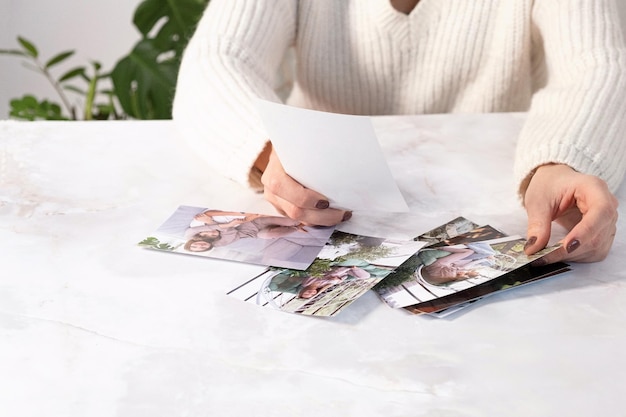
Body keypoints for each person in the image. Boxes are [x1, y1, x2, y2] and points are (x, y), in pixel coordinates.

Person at [173, 0, 626, 265]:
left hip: (492, 202)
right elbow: (218, 58)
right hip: (313, 210)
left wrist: (561, 161)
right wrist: (270, 148)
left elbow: (600, 66)